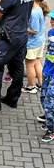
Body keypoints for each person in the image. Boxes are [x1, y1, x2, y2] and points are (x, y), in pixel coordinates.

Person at [22, 0, 50, 94]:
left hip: (32, 43)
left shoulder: (33, 13)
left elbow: (34, 30)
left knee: (29, 65)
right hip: (40, 42)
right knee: (37, 63)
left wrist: (24, 28)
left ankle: (30, 86)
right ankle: (41, 83)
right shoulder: (40, 8)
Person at [40, 10, 54, 142]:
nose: (51, 22)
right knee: (43, 96)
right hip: (47, 71)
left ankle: (51, 130)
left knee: (50, 102)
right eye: (51, 19)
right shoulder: (50, 33)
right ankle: (48, 116)